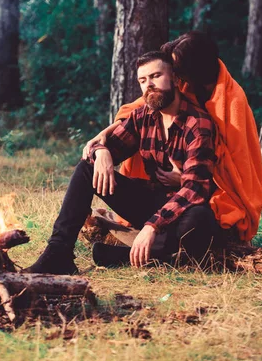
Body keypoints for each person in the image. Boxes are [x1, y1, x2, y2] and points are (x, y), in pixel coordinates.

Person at [26, 50, 225, 275]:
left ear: (175, 79)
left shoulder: (197, 123)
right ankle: (58, 253)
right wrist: (102, 153)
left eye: (156, 76)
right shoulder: (144, 116)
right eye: (143, 80)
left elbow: (195, 188)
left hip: (182, 210)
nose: (149, 85)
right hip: (152, 201)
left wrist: (152, 226)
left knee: (198, 219)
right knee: (86, 170)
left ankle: (140, 256)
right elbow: (100, 147)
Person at [84, 31, 262, 244]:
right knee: (87, 168)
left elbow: (235, 167)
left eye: (176, 68)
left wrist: (186, 178)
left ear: (192, 69)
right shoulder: (184, 86)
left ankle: (143, 248)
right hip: (171, 193)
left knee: (197, 220)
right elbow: (139, 107)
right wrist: (104, 138)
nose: (173, 73)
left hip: (208, 191)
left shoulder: (231, 100)